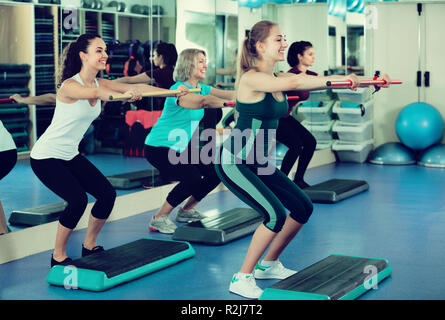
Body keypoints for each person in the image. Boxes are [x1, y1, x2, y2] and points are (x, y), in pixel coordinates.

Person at [215, 20, 391, 299]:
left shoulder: (277, 78)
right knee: (274, 214)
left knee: (302, 207)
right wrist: (343, 78)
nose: (284, 44)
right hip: (234, 161)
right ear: (260, 46)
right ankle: (242, 277)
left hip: (259, 162)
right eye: (278, 39)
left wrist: (359, 81)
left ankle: (268, 264)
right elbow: (297, 81)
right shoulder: (251, 78)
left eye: (284, 38)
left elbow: (303, 81)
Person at [29, 33, 187, 267]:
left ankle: (89, 245)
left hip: (69, 154)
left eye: (105, 50)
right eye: (99, 51)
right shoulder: (70, 85)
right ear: (83, 55)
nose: (105, 55)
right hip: (45, 156)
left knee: (106, 194)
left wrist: (174, 91)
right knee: (77, 200)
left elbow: (137, 85)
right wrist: (124, 96)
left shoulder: (100, 82)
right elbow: (96, 94)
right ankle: (58, 255)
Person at [144, 48, 235, 234]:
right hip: (159, 146)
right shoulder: (177, 89)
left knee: (214, 173)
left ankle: (185, 211)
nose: (205, 65)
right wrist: (226, 103)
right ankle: (159, 218)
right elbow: (202, 102)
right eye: (200, 61)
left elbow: (230, 95)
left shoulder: (203, 88)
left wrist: (253, 95)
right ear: (188, 64)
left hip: (180, 148)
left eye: (205, 61)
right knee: (191, 178)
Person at [276, 40, 318, 189]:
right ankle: (281, 183)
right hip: (275, 118)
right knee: (296, 145)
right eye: (310, 54)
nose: (314, 57)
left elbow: (329, 80)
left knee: (310, 142)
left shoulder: (309, 75)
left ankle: (298, 180)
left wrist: (355, 80)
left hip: (285, 116)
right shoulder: (291, 76)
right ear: (300, 56)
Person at [115, 42, 178, 110]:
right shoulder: (172, 70)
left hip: (168, 107)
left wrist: (108, 83)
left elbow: (129, 80)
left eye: (153, 56)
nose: (151, 59)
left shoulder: (159, 73)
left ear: (160, 57)